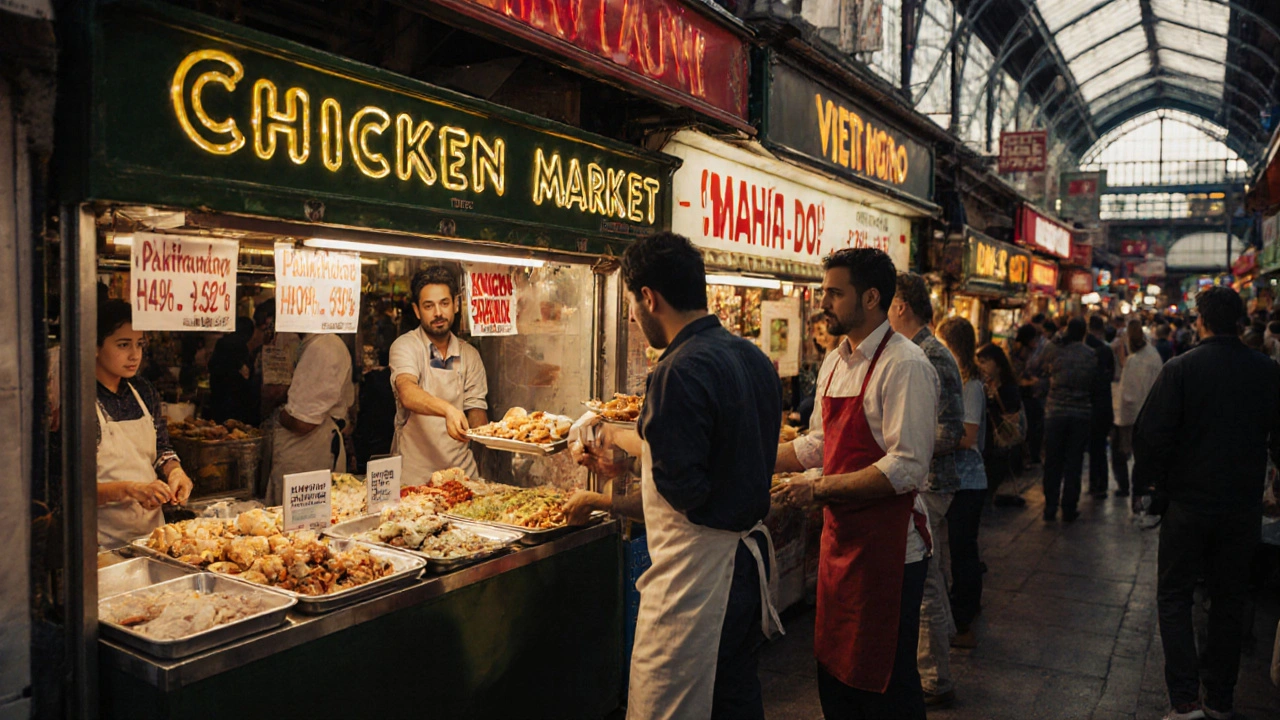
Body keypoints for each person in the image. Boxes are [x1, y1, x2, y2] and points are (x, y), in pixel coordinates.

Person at [563, 232, 784, 719]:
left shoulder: (678, 370)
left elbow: (686, 491)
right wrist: (635, 458)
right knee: (735, 701)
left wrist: (629, 448)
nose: (634, 319)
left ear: (649, 298)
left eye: (630, 305)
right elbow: (719, 458)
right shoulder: (752, 359)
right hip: (744, 572)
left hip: (697, 581)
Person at [773, 248, 938, 719]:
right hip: (842, 542)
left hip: (892, 550)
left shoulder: (905, 365)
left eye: (833, 293)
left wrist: (817, 490)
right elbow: (820, 444)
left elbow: (906, 466)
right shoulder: (835, 362)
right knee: (836, 670)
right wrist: (765, 460)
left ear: (870, 297)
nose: (823, 302)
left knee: (885, 683)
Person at [1132, 287, 1280, 720]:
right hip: (1241, 507)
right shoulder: (1267, 371)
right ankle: (1219, 698)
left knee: (1175, 596)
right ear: (1237, 321)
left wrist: (1154, 487)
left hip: (1189, 504)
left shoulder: (1182, 368)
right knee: (1229, 600)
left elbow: (1150, 435)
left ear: (1201, 321)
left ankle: (1185, 700)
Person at [888, 272, 964, 708]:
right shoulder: (920, 351)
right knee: (930, 576)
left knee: (925, 584)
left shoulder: (928, 356)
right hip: (924, 482)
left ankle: (935, 678)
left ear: (900, 306)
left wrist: (904, 448)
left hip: (930, 485)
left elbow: (951, 431)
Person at [94, 300, 193, 548]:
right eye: (123, 345)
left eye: (139, 344)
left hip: (151, 537)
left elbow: (161, 449)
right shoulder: (79, 399)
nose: (134, 355)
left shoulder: (143, 390)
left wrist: (175, 471)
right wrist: (130, 490)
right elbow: (72, 491)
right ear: (94, 346)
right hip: (101, 542)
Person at [389, 267, 489, 482]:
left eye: (444, 303)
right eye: (428, 306)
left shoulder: (469, 354)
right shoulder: (406, 346)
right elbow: (407, 392)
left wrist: (503, 435)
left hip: (463, 477)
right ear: (417, 311)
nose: (438, 313)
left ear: (455, 305)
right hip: (415, 478)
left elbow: (476, 412)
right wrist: (448, 410)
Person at [936, 317, 987, 650]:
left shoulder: (971, 386)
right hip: (953, 480)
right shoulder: (957, 380)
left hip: (968, 482)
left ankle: (965, 619)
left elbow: (967, 437)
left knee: (963, 551)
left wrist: (927, 438)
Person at [266, 330, 355, 504]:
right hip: (304, 453)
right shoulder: (310, 344)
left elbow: (303, 423)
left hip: (311, 452)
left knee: (305, 524)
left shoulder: (325, 347)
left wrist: (280, 416)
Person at [1040, 318, 1097, 522]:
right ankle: (1069, 506)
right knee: (1074, 462)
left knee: (1053, 461)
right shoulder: (1090, 355)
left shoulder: (1054, 350)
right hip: (1081, 414)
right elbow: (1093, 383)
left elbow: (1039, 367)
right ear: (1084, 333)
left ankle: (1050, 505)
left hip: (1055, 412)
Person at [1113, 319, 1161, 505]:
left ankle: (1127, 489)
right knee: (1142, 459)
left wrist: (1120, 418)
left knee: (1121, 454)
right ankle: (1138, 495)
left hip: (1132, 416)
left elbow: (1127, 394)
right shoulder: (1153, 356)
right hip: (1148, 416)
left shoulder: (1134, 361)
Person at [976, 342, 1023, 505]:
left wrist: (993, 398)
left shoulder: (1008, 387)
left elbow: (1011, 413)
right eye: (979, 362)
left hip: (999, 444)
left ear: (997, 363)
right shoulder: (980, 384)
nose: (981, 366)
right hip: (984, 442)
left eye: (984, 361)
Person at [1085, 316, 1116, 498]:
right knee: (1099, 448)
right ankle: (1100, 483)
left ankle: (1096, 483)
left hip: (1094, 405)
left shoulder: (1093, 350)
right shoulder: (1105, 350)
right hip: (1103, 405)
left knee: (1094, 447)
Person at [206, 316, 256, 424]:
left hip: (218, 397)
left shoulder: (222, 343)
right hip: (236, 401)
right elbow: (246, 375)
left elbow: (211, 366)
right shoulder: (241, 348)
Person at [796, 312, 841, 429]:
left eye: (821, 332)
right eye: (816, 335)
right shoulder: (828, 356)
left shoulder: (841, 357)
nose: (818, 338)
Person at [1014, 324, 1048, 464]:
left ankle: (1034, 455)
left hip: (1039, 394)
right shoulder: (1029, 349)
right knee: (1030, 425)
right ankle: (1029, 455)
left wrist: (1037, 381)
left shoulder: (1045, 349)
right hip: (1029, 393)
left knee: (1035, 426)